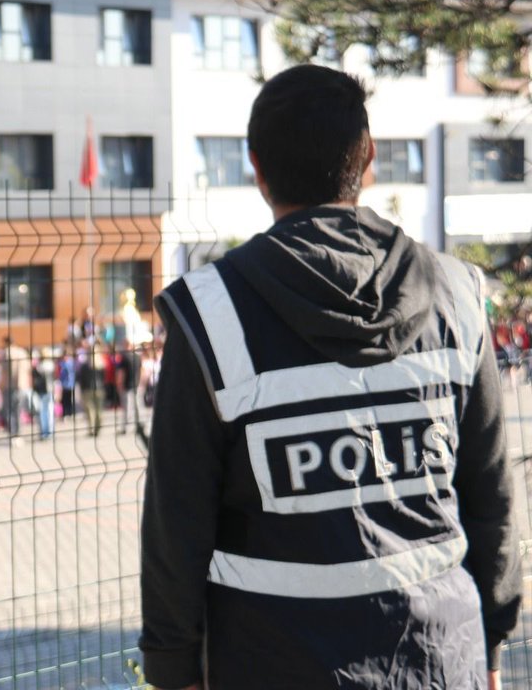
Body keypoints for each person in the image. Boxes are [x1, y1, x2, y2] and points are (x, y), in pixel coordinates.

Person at [140, 64, 521, 690]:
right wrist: (493, 643)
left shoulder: (212, 314)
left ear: (256, 168)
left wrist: (173, 670)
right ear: (368, 157)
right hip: (441, 656)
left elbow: (175, 521)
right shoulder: (455, 294)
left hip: (272, 663)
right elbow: (491, 496)